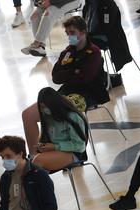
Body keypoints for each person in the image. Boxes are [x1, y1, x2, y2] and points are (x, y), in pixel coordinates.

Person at [21, 16, 107, 154]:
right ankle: (34, 156)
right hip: (66, 91)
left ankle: (74, 153)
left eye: (72, 32)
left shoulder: (93, 52)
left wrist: (67, 73)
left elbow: (86, 78)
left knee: (63, 111)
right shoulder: (67, 52)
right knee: (28, 114)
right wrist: (75, 71)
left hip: (88, 93)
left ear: (83, 32)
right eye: (67, 33)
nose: (69, 36)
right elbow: (55, 77)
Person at [26, 87, 89, 171]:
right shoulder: (47, 117)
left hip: (74, 153)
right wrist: (42, 145)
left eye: (45, 107)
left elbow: (79, 146)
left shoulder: (73, 117)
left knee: (37, 162)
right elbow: (47, 137)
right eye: (41, 107)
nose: (44, 110)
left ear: (54, 105)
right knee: (27, 164)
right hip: (56, 150)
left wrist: (55, 147)